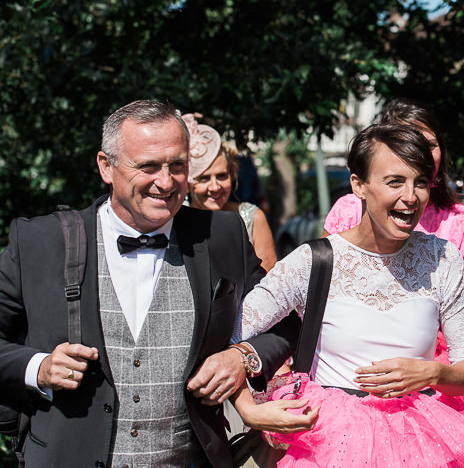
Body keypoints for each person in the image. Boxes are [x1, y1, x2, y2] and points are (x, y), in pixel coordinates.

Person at [0, 100, 311, 467]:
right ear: (106, 166)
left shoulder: (221, 235)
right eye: (148, 166)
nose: (165, 183)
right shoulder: (40, 241)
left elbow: (287, 319)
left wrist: (241, 357)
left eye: (177, 166)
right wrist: (38, 366)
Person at [232, 123, 464, 467]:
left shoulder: (442, 259)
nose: (411, 197)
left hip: (423, 440)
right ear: (359, 185)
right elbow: (230, 334)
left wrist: (432, 374)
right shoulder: (314, 261)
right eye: (395, 181)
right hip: (330, 441)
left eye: (421, 183)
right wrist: (247, 408)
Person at [323, 98, 464, 365]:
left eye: (430, 144)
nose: (420, 152)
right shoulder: (347, 211)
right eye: (408, 142)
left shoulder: (461, 221)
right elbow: (320, 303)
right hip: (354, 363)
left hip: (440, 372)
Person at [183, 112, 277, 272]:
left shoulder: (251, 218)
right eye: (203, 178)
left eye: (221, 176)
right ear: (189, 181)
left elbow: (270, 283)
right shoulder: (177, 221)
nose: (215, 186)